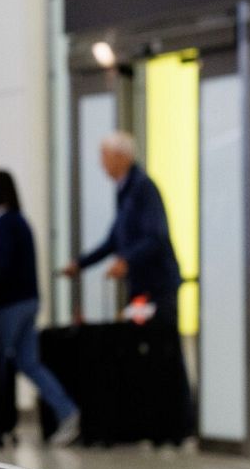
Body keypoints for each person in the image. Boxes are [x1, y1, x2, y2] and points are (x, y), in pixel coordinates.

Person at [0, 170, 80, 446]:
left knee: (0, 363)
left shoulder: (3, 225)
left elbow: (1, 266)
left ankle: (0, 422)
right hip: (29, 300)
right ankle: (68, 411)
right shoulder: (20, 222)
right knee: (29, 362)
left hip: (11, 304)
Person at [61, 132, 184, 327]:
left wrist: (127, 260)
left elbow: (155, 236)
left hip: (156, 287)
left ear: (121, 156)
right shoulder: (125, 191)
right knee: (139, 344)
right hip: (140, 285)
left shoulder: (142, 188)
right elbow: (113, 240)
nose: (101, 163)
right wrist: (80, 264)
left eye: (104, 155)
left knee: (161, 347)